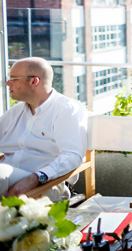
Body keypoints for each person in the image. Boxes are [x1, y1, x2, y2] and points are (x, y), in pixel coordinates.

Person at [0, 57, 87, 200]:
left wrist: (34, 178)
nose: (7, 83)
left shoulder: (66, 110)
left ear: (34, 81)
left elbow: (73, 156)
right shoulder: (16, 111)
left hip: (47, 184)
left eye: (14, 79)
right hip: (7, 178)